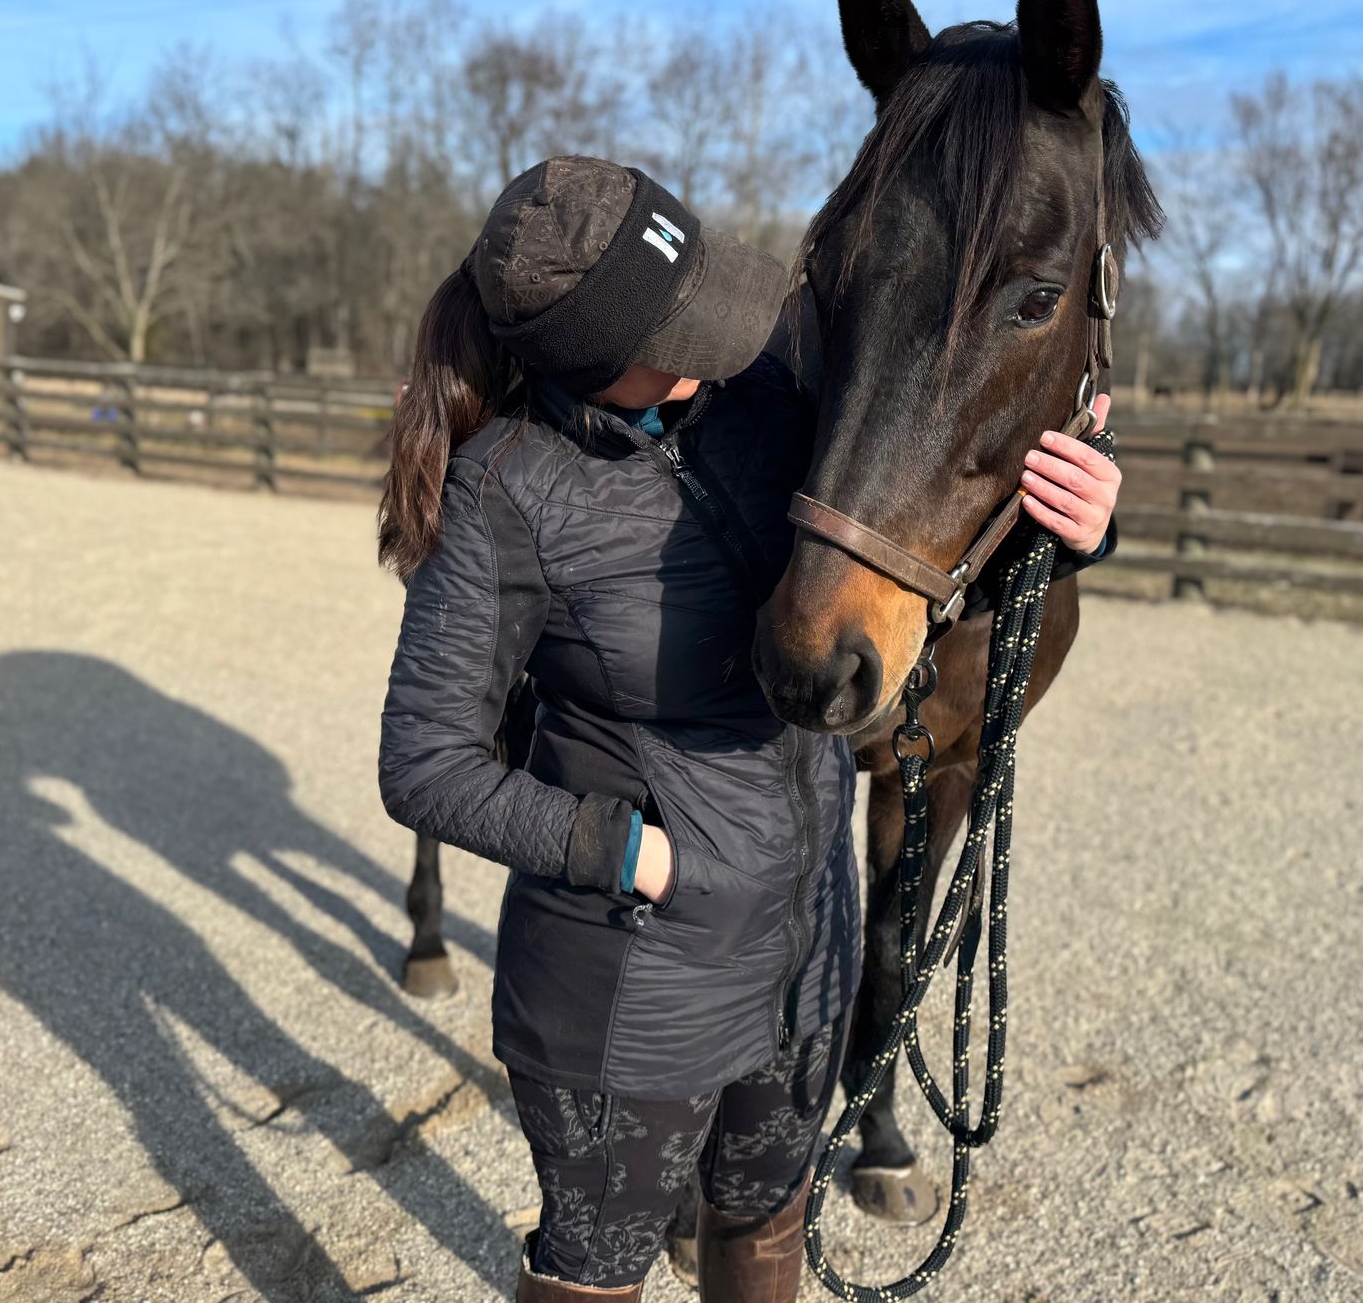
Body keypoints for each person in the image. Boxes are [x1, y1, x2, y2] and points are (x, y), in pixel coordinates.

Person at [376, 156, 1121, 1301]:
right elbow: (423, 765)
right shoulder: (506, 491)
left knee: (768, 1234)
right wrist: (624, 851)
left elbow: (921, 507)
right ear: (588, 361)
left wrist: (1065, 527)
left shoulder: (769, 399)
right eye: (679, 325)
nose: (726, 336)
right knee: (596, 1266)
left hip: (802, 959)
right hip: (628, 985)